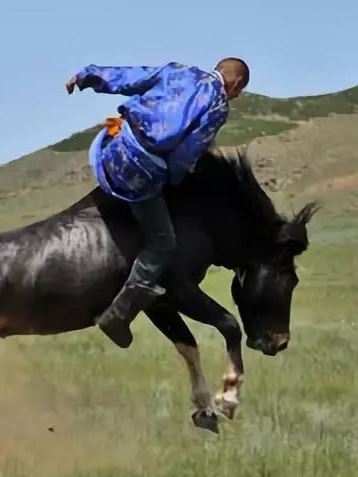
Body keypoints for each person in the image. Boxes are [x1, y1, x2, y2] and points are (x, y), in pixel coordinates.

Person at [65, 58, 250, 348]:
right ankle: (119, 314)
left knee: (122, 132)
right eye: (238, 93)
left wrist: (87, 76)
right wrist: (175, 180)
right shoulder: (217, 107)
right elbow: (186, 154)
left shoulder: (179, 71)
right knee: (163, 242)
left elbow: (131, 76)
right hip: (137, 172)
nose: (235, 97)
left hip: (110, 148)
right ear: (235, 84)